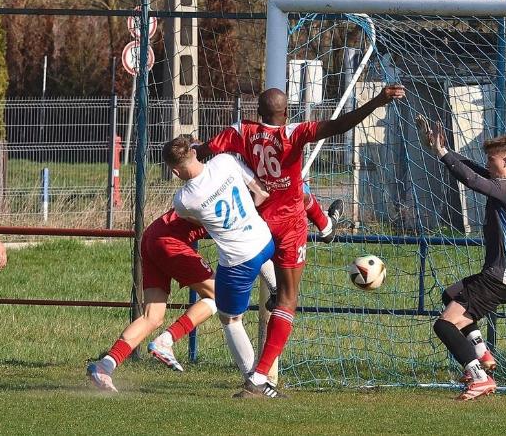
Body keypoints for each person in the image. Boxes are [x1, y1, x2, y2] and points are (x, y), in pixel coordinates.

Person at [195, 84, 405, 398]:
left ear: (259, 112)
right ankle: (259, 377)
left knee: (238, 306)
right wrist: (377, 101)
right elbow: (340, 125)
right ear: (286, 113)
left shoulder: (241, 130)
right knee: (288, 299)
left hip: (256, 224)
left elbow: (204, 152)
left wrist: (192, 153)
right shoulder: (293, 133)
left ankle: (326, 227)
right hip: (290, 226)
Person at [416, 115, 506, 401]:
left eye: (492, 160)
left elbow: (470, 179)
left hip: (496, 281)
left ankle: (479, 376)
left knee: (444, 325)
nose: (487, 164)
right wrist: (443, 150)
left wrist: (442, 154)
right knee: (450, 294)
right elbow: (475, 170)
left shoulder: (505, 190)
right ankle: (481, 352)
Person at [164, 135, 282, 395]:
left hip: (238, 261)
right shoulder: (226, 161)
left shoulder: (183, 200)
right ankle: (277, 290)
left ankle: (255, 381)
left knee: (230, 319)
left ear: (175, 171)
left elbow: (199, 222)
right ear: (195, 152)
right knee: (261, 259)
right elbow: (261, 191)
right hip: (264, 241)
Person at [86, 209, 217, 392]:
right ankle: (166, 341)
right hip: (170, 241)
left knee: (152, 317)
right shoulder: (233, 195)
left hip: (152, 236)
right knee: (221, 296)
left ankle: (104, 366)